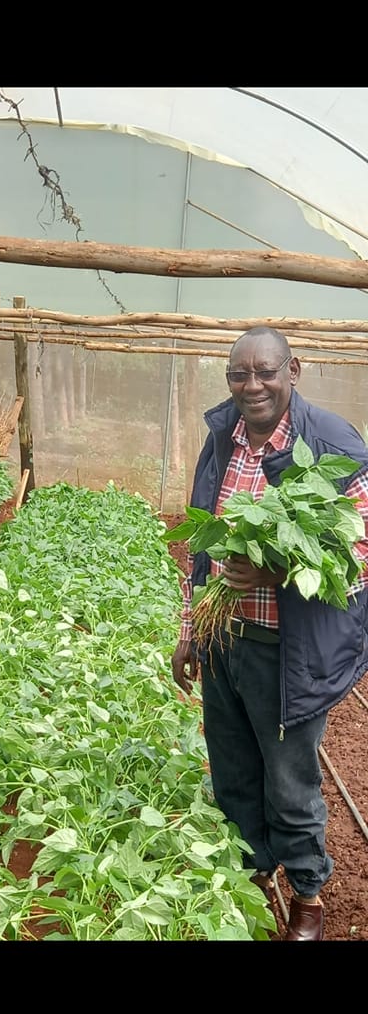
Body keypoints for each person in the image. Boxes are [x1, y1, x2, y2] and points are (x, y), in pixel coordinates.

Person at [171, 325, 368, 941]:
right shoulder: (222, 439)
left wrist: (276, 564)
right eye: (239, 374)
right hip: (225, 639)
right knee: (232, 769)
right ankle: (252, 873)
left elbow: (358, 549)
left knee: (289, 780)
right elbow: (202, 549)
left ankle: (307, 894)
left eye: (265, 372)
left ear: (294, 370)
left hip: (290, 650)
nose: (251, 385)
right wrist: (189, 630)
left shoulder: (331, 443)